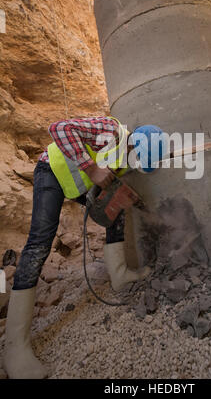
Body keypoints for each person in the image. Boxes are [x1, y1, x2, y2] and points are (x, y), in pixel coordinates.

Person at [3, 116, 163, 379]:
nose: (133, 165)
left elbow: (109, 181)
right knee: (40, 243)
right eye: (136, 159)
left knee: (118, 207)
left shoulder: (124, 158)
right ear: (134, 145)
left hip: (74, 181)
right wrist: (91, 169)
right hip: (50, 171)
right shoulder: (109, 130)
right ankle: (14, 349)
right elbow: (58, 128)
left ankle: (120, 275)